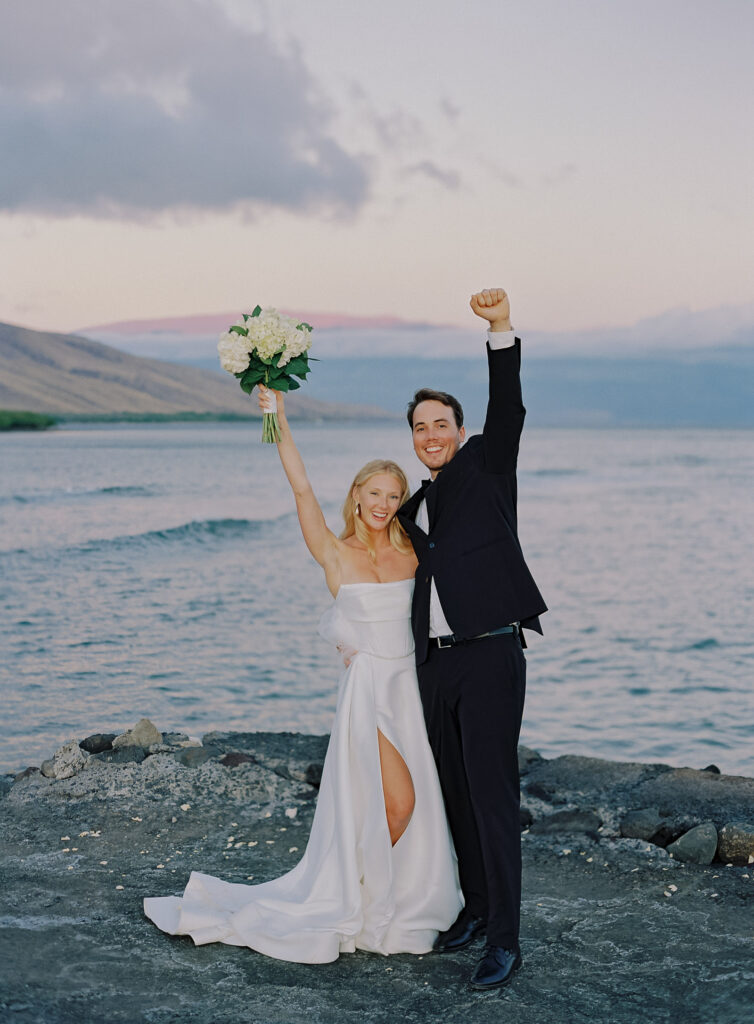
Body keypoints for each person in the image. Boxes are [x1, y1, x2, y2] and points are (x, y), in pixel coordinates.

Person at [144, 387, 461, 963]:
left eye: (394, 495)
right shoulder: (334, 553)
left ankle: (387, 893)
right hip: (369, 692)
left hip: (412, 689)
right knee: (400, 804)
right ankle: (352, 894)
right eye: (374, 493)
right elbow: (300, 486)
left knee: (409, 803)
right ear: (357, 496)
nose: (384, 503)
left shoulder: (414, 551)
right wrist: (278, 418)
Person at [397, 287, 547, 990]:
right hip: (435, 666)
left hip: (489, 655)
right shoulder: (415, 503)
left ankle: (508, 943)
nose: (430, 435)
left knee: (491, 799)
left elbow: (509, 408)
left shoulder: (487, 467)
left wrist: (500, 331)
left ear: (457, 430)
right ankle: (478, 913)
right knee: (454, 794)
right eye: (420, 428)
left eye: (440, 424)